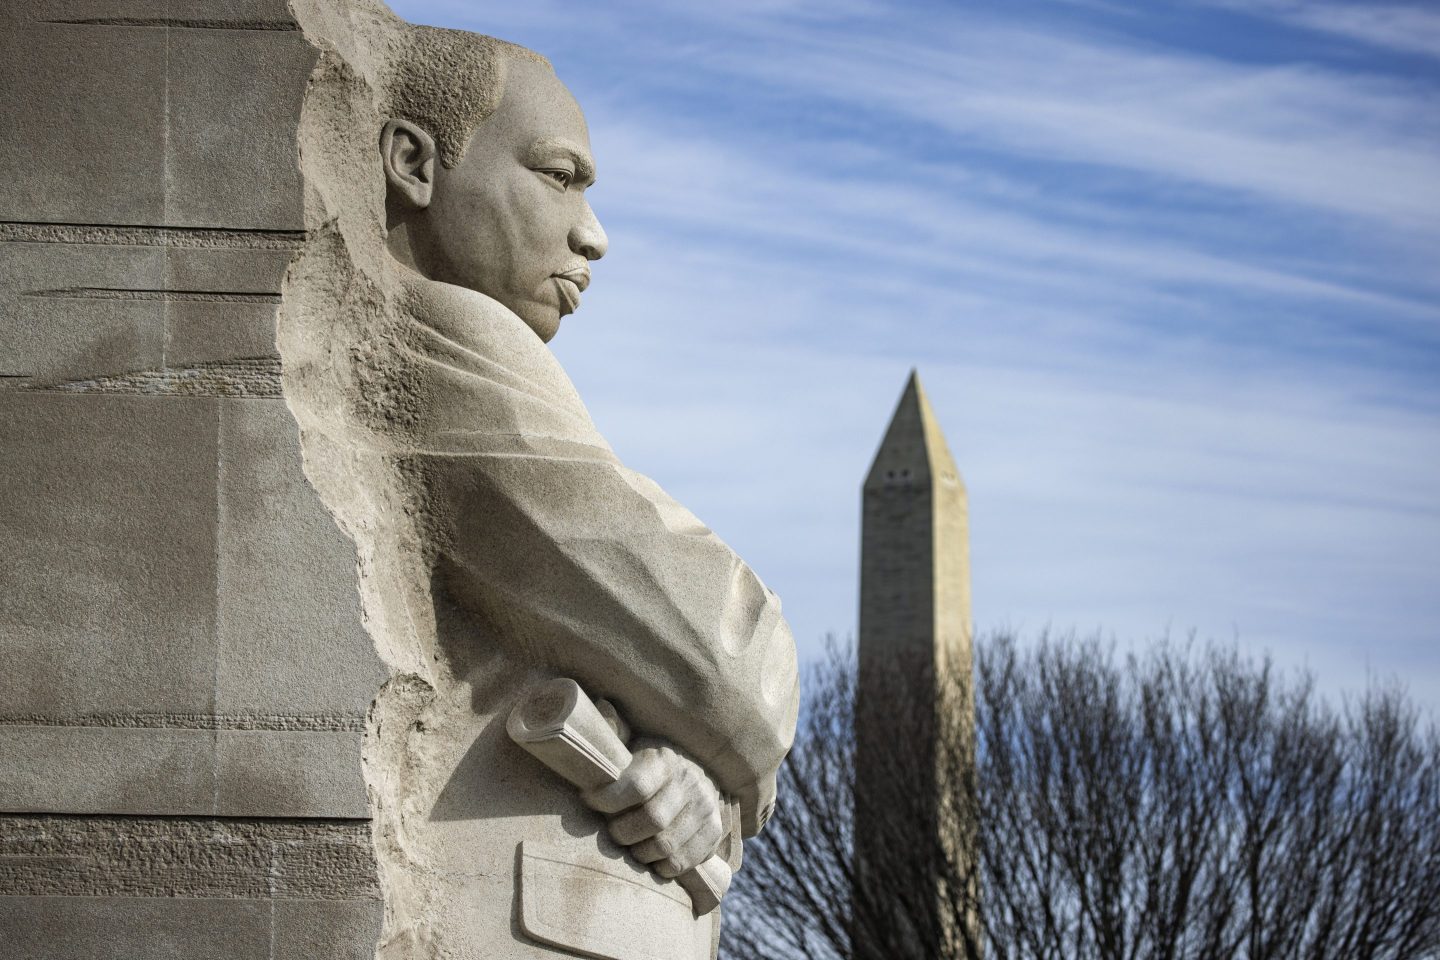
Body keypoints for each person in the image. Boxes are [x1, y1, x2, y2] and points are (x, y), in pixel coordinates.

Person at [343, 20, 799, 956]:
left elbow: (668, 673)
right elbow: (720, 658)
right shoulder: (434, 333)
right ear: (414, 163)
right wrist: (721, 734)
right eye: (558, 177)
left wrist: (699, 780)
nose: (591, 235)